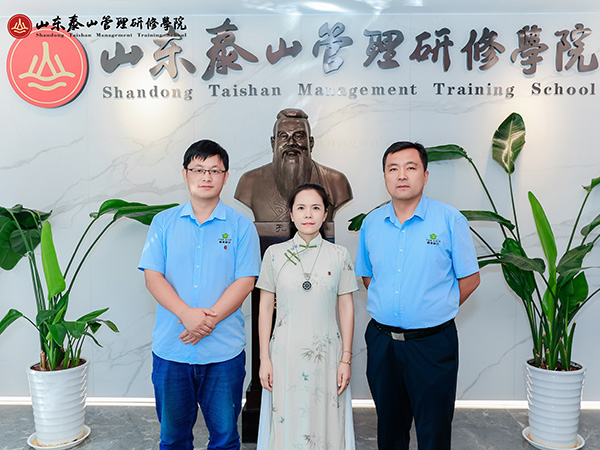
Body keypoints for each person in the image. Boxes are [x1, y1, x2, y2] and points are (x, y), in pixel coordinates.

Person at [355, 141, 480, 450]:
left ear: (425, 175)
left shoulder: (449, 220)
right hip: (383, 344)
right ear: (385, 176)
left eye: (410, 167)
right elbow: (369, 277)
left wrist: (435, 308)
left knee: (433, 431)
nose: (402, 175)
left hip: (432, 346)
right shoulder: (371, 224)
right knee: (389, 430)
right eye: (393, 168)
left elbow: (470, 279)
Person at [138, 139, 261, 450]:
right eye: (198, 169)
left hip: (223, 354)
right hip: (172, 351)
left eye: (214, 170)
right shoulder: (163, 223)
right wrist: (186, 315)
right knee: (173, 440)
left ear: (225, 176)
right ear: (185, 173)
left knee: (225, 440)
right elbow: (153, 277)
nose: (206, 176)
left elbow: (245, 281)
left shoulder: (241, 227)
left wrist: (206, 322)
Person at [256, 183, 358, 449]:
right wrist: (265, 358)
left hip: (328, 354)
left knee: (326, 420)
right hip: (284, 354)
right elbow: (265, 307)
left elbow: (346, 307)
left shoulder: (339, 255)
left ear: (325, 214)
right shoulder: (274, 255)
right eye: (301, 208)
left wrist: (346, 359)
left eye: (316, 208)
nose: (308, 214)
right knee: (287, 419)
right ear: (291, 214)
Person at [234, 108, 353, 222]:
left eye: (299, 136)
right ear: (273, 143)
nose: (291, 143)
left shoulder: (336, 182)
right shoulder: (249, 182)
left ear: (311, 143)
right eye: (283, 136)